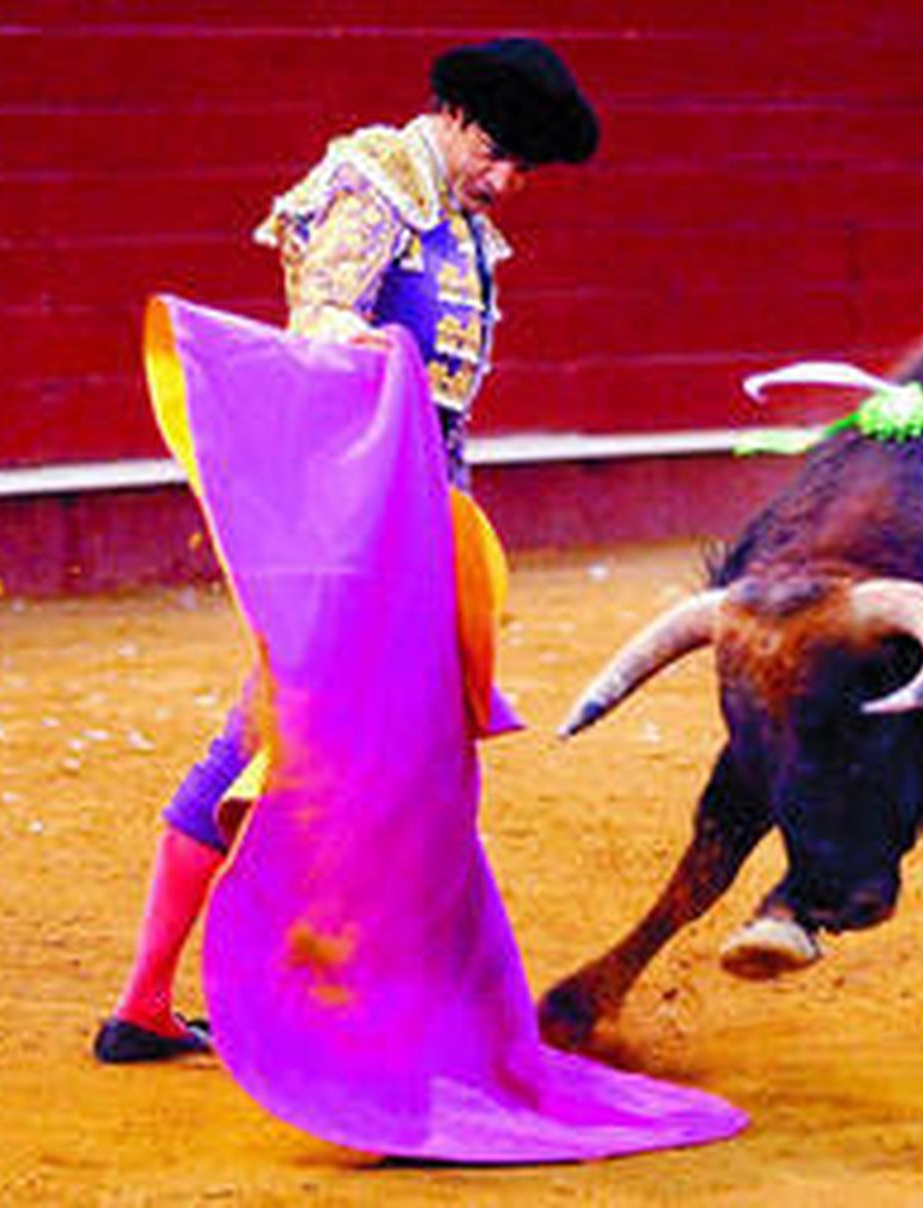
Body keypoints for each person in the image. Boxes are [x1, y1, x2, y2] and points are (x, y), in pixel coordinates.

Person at [94, 36, 599, 1063]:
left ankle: (319, 991)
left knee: (396, 748)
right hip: (356, 508)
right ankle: (163, 999)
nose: (507, 181)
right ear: (452, 113)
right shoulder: (377, 181)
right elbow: (319, 320)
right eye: (498, 152)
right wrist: (374, 363)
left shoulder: (458, 218)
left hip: (420, 505)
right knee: (278, 736)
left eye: (524, 170)